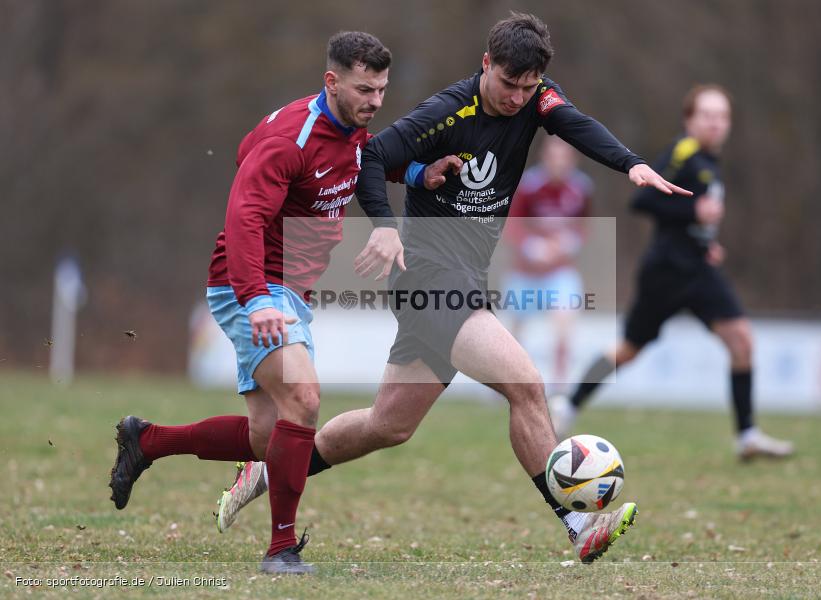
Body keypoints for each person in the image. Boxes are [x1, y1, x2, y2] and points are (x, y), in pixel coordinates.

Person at [215, 13, 691, 564]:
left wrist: (630, 165)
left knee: (387, 425)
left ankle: (269, 468)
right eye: (508, 84)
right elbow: (373, 156)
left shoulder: (539, 98)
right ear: (486, 64)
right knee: (526, 384)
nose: (517, 98)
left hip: (463, 278)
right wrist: (386, 228)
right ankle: (579, 523)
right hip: (428, 275)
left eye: (528, 86)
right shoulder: (446, 111)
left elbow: (576, 124)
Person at [107, 31, 453, 575]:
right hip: (250, 286)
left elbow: (361, 161)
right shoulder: (291, 139)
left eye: (382, 90)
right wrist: (255, 299)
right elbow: (243, 219)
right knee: (305, 400)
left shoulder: (350, 132)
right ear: (331, 81)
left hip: (288, 291)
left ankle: (146, 440)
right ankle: (281, 550)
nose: (375, 101)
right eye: (365, 89)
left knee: (268, 436)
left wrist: (416, 173)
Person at [550, 84, 795, 461]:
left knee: (741, 340)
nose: (715, 124)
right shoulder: (683, 153)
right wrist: (693, 213)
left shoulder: (711, 163)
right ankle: (568, 404)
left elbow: (690, 220)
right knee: (629, 350)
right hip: (666, 271)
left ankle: (747, 435)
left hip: (698, 270)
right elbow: (643, 199)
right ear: (689, 120)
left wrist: (704, 241)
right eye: (707, 115)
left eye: (722, 117)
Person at [503, 135, 592, 392]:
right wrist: (533, 248)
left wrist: (568, 243)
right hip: (525, 272)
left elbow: (583, 227)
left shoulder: (581, 188)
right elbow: (512, 225)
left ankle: (559, 387)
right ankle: (508, 386)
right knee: (514, 334)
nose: (559, 164)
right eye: (554, 157)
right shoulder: (529, 186)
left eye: (565, 158)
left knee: (565, 325)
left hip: (560, 271)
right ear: (545, 158)